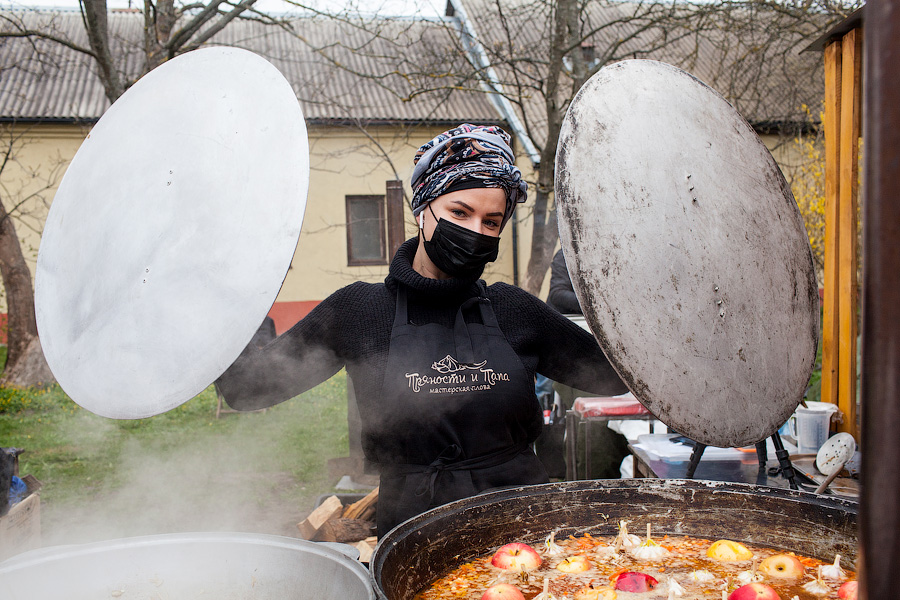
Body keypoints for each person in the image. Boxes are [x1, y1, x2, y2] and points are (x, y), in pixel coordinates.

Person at [216, 124, 628, 536]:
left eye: (491, 221)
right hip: (414, 539)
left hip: (524, 534)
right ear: (422, 209)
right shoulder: (358, 312)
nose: (475, 233)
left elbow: (615, 375)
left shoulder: (512, 309)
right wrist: (227, 288)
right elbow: (248, 389)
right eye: (460, 213)